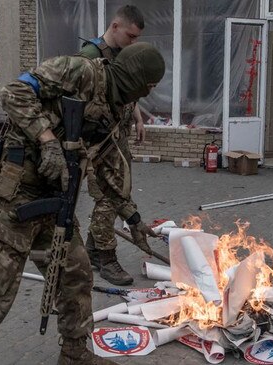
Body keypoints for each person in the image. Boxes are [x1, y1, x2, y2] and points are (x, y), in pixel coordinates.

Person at [0, 42, 165, 365]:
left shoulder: (119, 109)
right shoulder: (80, 71)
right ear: (138, 79)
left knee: (76, 275)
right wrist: (47, 139)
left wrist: (134, 218)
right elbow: (14, 91)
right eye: (149, 85)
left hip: (57, 205)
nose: (148, 92)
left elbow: (110, 169)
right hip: (15, 197)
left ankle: (74, 355)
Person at [77, 5, 156, 285]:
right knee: (107, 198)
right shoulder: (90, 56)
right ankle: (107, 260)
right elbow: (77, 105)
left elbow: (127, 91)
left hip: (117, 136)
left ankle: (92, 251)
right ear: (114, 26)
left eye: (137, 38)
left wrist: (137, 119)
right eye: (131, 36)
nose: (133, 43)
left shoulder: (123, 56)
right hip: (97, 142)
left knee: (119, 192)